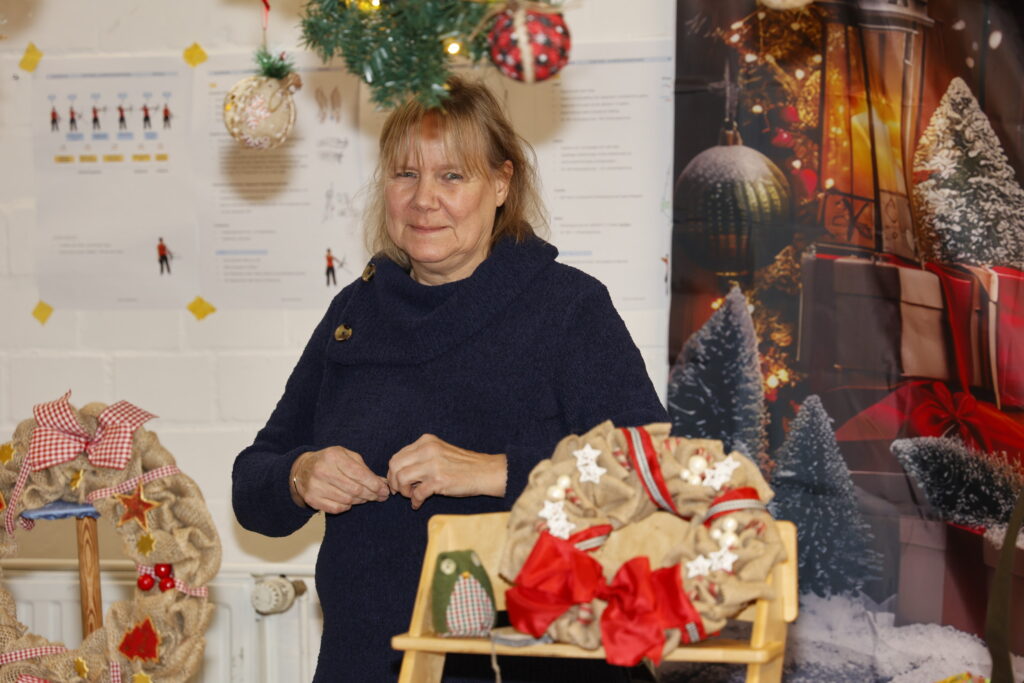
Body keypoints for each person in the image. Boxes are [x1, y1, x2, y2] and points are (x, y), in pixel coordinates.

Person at [232, 76, 668, 682]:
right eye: (405, 174)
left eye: (452, 176)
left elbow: (652, 473)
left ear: (501, 184)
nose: (423, 199)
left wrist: (495, 472)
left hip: (534, 667)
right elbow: (252, 485)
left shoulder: (567, 307)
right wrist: (299, 476)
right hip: (366, 664)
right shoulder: (355, 312)